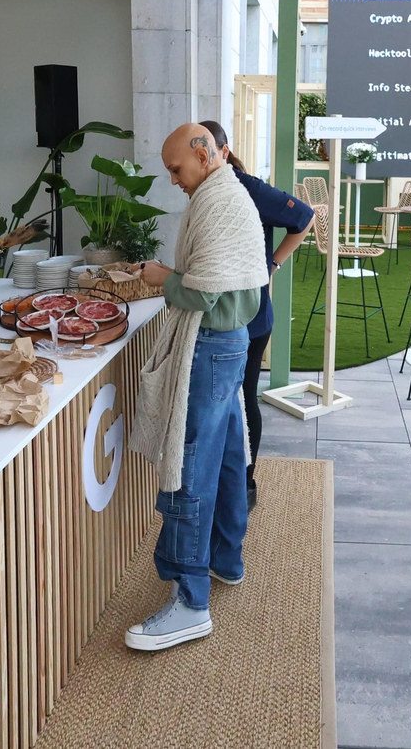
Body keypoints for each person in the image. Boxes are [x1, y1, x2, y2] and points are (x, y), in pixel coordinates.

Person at [124, 124, 268, 651]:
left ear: (204, 155)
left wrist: (164, 278)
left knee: (189, 467)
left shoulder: (220, 200)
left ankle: (190, 602)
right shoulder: (226, 192)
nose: (173, 180)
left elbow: (205, 292)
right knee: (228, 455)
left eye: (176, 169)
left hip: (211, 344)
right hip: (229, 344)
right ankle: (226, 559)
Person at [198, 120, 313, 510]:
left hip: (253, 315)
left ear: (222, 152)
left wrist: (273, 264)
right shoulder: (204, 190)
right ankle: (227, 479)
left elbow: (305, 217)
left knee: (245, 396)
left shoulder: (246, 187)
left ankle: (245, 484)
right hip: (224, 314)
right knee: (226, 400)